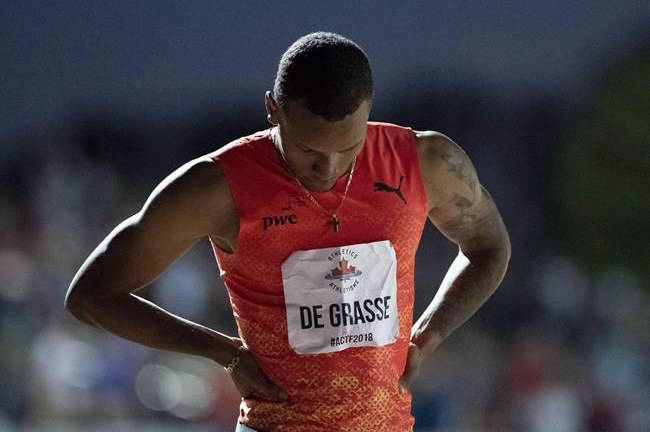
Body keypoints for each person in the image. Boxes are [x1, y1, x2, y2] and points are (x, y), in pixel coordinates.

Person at [65, 32, 511, 432]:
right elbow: (91, 295)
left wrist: (429, 333)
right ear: (272, 111)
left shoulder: (426, 163)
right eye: (307, 149)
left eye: (348, 149)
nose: (327, 168)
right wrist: (224, 352)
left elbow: (489, 248)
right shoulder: (214, 188)